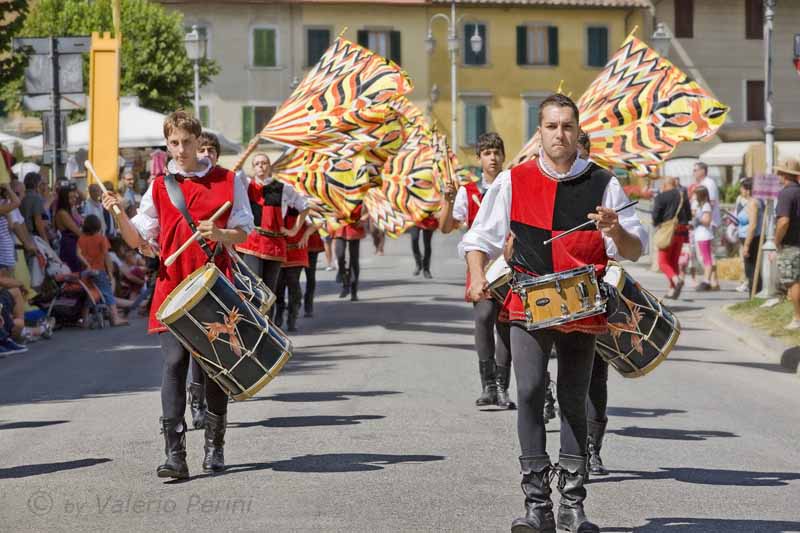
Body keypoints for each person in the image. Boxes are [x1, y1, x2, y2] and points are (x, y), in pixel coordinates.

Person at [461, 94, 647, 533]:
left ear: (576, 130)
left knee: (573, 399)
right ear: (539, 131)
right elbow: (478, 238)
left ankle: (573, 504)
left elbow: (636, 249)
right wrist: (475, 276)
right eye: (550, 126)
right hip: (529, 299)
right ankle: (536, 504)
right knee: (527, 391)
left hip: (583, 303)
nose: (559, 134)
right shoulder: (513, 180)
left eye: (566, 126)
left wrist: (614, 228)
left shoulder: (605, 183)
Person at [102, 110, 254, 479]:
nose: (181, 149)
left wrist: (219, 234)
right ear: (167, 143)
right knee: (173, 366)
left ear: (199, 142)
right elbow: (138, 238)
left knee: (214, 369)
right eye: (174, 143)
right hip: (172, 286)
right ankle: (175, 455)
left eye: (187, 142)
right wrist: (118, 214)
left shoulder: (229, 180)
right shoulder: (159, 186)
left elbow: (245, 231)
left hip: (214, 287)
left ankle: (215, 447)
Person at [439, 131, 513, 409]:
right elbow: (446, 227)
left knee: (506, 324)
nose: (492, 158)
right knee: (483, 318)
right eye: (487, 153)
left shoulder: (512, 185)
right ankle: (488, 385)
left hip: (509, 264)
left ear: (503, 156)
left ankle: (504, 387)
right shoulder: (468, 192)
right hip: (480, 264)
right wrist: (447, 200)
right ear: (479, 158)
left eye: (496, 152)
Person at [77, 214, 128, 327]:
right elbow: (106, 256)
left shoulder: (82, 238)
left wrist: (86, 264)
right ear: (98, 226)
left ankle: (84, 319)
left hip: (86, 272)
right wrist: (109, 271)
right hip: (99, 270)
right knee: (107, 293)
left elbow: (78, 253)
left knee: (90, 294)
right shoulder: (101, 238)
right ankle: (115, 318)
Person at [274, 211, 316, 332]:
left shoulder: (299, 203)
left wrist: (306, 235)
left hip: (296, 250)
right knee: (278, 286)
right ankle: (279, 311)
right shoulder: (275, 202)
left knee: (293, 283)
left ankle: (292, 317)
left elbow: (318, 222)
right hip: (278, 251)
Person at [652, 177, 692, 298]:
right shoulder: (682, 195)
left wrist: (657, 223)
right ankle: (672, 289)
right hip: (681, 232)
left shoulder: (661, 197)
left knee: (663, 262)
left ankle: (676, 280)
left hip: (667, 232)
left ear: (664, 185)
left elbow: (656, 216)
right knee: (673, 261)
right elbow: (689, 215)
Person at [774, 159, 800, 330]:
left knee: (793, 282)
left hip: (792, 244)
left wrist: (777, 240)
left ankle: (798, 318)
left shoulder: (786, 194)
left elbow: (783, 221)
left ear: (783, 175)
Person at [692, 162, 720, 289]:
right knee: (706, 255)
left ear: (703, 170)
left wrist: (701, 214)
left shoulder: (708, 183)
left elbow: (711, 203)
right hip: (702, 228)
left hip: (708, 226)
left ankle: (709, 280)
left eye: (696, 170)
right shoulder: (703, 184)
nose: (694, 172)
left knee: (707, 256)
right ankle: (713, 281)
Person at [735, 178, 763, 294]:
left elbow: (752, 225)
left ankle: (754, 293)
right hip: (747, 237)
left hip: (751, 239)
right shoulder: (752, 201)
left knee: (751, 269)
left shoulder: (753, 203)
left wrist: (746, 245)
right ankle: (754, 292)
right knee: (750, 268)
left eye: (742, 188)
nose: (740, 191)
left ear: (747, 190)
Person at [334, 207, 366, 301]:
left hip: (355, 224)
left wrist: (363, 219)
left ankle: (354, 291)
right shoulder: (337, 192)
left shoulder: (361, 193)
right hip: (340, 224)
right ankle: (344, 282)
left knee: (354, 259)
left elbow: (372, 206)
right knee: (339, 254)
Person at [54, 184, 84, 273]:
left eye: (74, 197)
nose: (74, 200)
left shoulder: (71, 210)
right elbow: (76, 231)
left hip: (74, 243)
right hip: (69, 245)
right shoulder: (62, 213)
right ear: (64, 199)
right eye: (70, 198)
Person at [691, 186, 715, 291]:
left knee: (706, 258)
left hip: (704, 235)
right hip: (699, 235)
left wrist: (698, 219)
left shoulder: (706, 206)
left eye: (696, 194)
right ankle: (707, 279)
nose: (695, 196)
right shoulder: (699, 206)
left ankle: (707, 281)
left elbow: (707, 221)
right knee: (702, 258)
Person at [20, 172, 50, 243]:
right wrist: (45, 240)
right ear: (37, 184)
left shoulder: (22, 196)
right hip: (33, 236)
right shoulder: (36, 198)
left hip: (22, 234)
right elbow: (38, 222)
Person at [303, 225, 325, 317]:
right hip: (291, 240)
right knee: (289, 279)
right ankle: (286, 305)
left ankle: (308, 305)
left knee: (310, 276)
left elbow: (320, 220)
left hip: (311, 242)